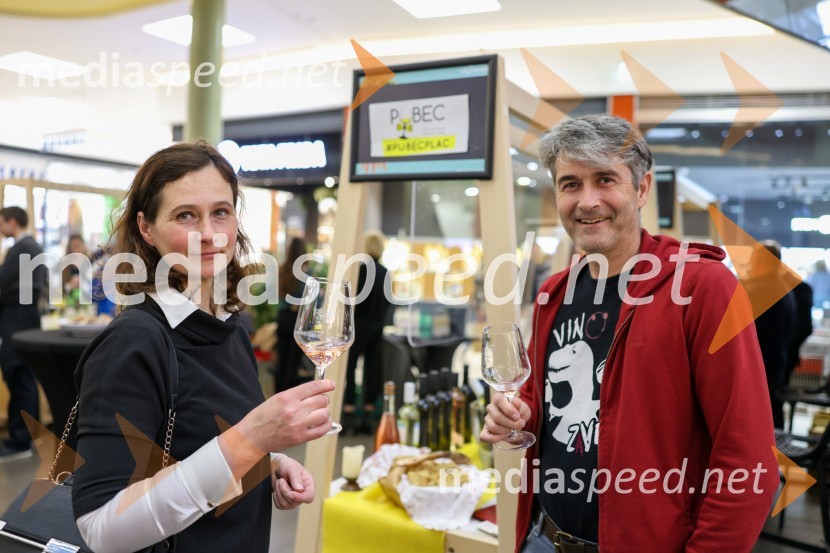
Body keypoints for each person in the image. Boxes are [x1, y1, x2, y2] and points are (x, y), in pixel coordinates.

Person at [481, 115, 779, 553]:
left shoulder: (702, 287)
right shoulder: (555, 292)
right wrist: (516, 416)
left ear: (641, 189)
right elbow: (539, 400)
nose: (587, 201)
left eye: (605, 180)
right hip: (543, 537)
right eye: (570, 184)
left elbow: (749, 458)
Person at [71, 142, 334, 553]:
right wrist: (250, 440)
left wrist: (269, 463)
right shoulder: (134, 340)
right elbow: (102, 530)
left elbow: (197, 450)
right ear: (146, 228)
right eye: (185, 215)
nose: (210, 234)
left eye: (221, 212)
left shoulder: (231, 328)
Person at [0, 206, 47, 460]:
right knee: (25, 377)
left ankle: (20, 440)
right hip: (27, 317)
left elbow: (3, 280)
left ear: (12, 222)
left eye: (1, 222)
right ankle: (29, 436)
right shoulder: (35, 247)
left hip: (16, 319)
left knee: (18, 376)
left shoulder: (20, 247)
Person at [743, 241, 797, 429]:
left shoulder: (761, 290)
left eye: (754, 260)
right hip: (774, 366)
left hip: (760, 369)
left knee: (760, 424)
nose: (750, 265)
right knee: (773, 416)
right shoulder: (783, 289)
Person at [343, 230, 392, 433]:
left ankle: (348, 414)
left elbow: (351, 300)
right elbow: (389, 302)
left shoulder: (359, 271)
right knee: (372, 371)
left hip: (357, 326)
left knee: (351, 368)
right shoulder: (385, 272)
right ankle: (368, 421)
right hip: (376, 328)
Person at [273, 237, 312, 393]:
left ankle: (278, 393)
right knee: (293, 362)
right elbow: (310, 299)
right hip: (298, 320)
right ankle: (288, 394)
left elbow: (276, 296)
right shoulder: (307, 273)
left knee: (281, 360)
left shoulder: (283, 270)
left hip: (283, 318)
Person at [61, 233, 90, 300]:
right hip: (68, 304)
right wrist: (70, 286)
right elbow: (58, 290)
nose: (76, 249)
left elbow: (95, 289)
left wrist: (82, 284)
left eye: (78, 246)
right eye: (74, 246)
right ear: (69, 248)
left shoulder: (90, 264)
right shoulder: (64, 266)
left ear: (83, 246)